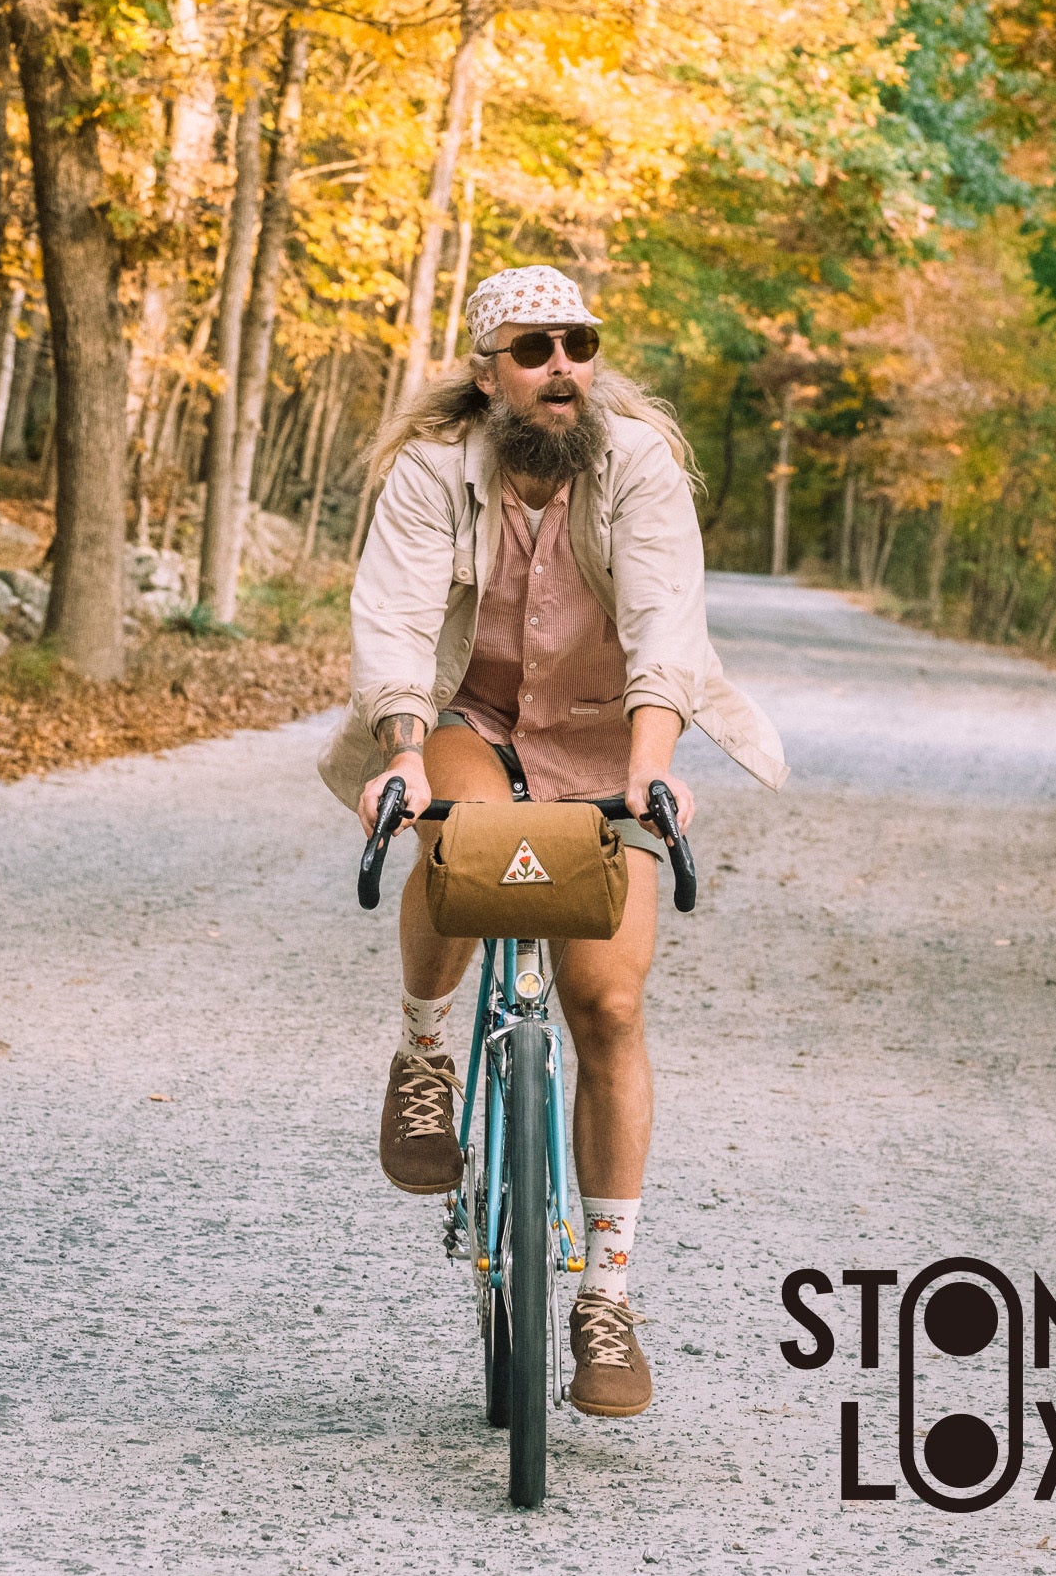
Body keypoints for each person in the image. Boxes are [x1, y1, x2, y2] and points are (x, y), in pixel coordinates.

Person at [318, 264, 786, 1418]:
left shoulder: (637, 463)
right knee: (462, 841)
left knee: (608, 1002)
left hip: (609, 741)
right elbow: (395, 621)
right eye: (534, 348)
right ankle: (425, 1052)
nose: (563, 364)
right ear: (490, 374)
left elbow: (666, 625)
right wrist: (401, 752)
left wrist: (651, 768)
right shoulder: (434, 470)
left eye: (578, 341)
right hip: (471, 721)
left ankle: (606, 1295)